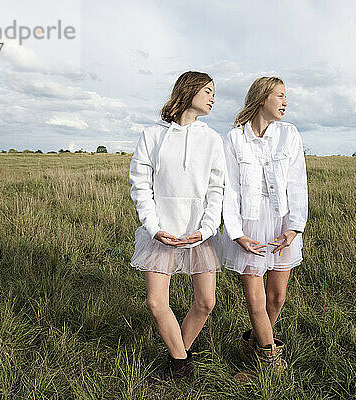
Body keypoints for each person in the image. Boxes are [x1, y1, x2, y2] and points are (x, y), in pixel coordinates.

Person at [128, 71, 225, 381]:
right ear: (189, 91)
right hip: (160, 232)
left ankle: (178, 357)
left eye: (214, 92)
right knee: (157, 303)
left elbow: (217, 188)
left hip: (199, 232)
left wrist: (208, 228)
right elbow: (140, 184)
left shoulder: (211, 138)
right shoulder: (152, 135)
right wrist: (153, 226)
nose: (213, 97)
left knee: (206, 302)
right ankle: (181, 365)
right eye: (208, 90)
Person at [221, 76, 308, 372]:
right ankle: (271, 360)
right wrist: (236, 233)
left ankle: (253, 345)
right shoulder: (234, 139)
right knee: (255, 299)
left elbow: (298, 183)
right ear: (262, 98)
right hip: (249, 225)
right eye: (281, 96)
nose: (286, 102)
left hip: (283, 222)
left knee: (277, 297)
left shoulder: (290, 134)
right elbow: (229, 189)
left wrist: (294, 227)